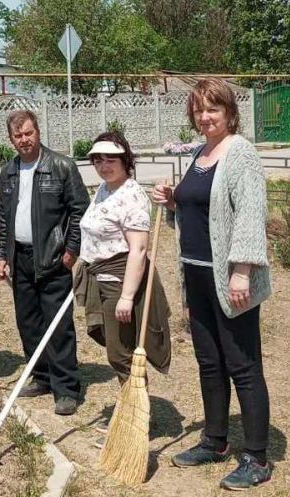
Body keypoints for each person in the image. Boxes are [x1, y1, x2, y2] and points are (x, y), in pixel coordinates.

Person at [151, 78, 273, 490]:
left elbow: (250, 215)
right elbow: (202, 210)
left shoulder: (241, 154)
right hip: (197, 274)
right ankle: (215, 441)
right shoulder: (203, 153)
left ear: (229, 113)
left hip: (230, 278)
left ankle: (256, 457)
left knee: (243, 365)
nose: (205, 117)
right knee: (209, 362)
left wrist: (242, 271)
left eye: (213, 110)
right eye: (200, 111)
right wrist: (173, 201)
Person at [72, 132, 172, 447]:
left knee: (122, 354)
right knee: (117, 351)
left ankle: (136, 422)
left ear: (125, 160)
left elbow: (138, 250)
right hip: (99, 278)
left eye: (110, 159)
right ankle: (130, 414)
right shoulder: (104, 189)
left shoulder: (132, 195)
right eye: (97, 159)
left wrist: (127, 297)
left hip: (120, 281)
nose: (103, 165)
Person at [0, 110, 90, 416]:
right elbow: (4, 218)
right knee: (29, 323)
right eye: (18, 136)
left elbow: (80, 210)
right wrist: (1, 254)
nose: (24, 140)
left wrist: (72, 249)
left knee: (58, 326)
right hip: (19, 258)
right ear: (11, 140)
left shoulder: (61, 166)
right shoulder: (8, 171)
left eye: (28, 133)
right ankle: (42, 377)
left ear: (38, 131)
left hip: (52, 259)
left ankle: (67, 388)